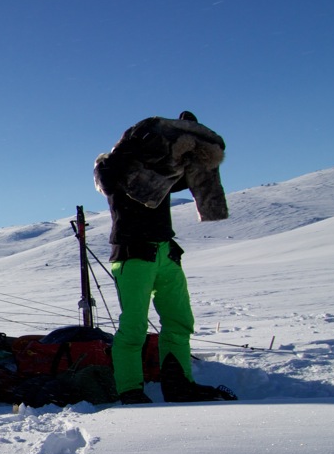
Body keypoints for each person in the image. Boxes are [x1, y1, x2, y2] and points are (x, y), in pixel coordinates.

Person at [94, 111, 237, 404]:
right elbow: (107, 179)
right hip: (133, 254)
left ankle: (178, 385)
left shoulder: (157, 171)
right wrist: (131, 146)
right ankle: (130, 390)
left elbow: (186, 177)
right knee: (134, 327)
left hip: (165, 252)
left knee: (179, 321)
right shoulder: (110, 166)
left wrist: (188, 139)